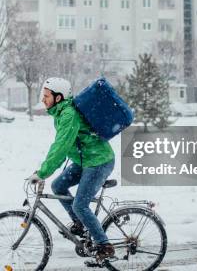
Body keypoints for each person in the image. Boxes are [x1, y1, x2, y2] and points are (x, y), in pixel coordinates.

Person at [27, 77, 116, 262]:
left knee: (80, 205)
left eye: (46, 96)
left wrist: (42, 172)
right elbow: (65, 146)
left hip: (98, 161)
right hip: (86, 160)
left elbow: (60, 146)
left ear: (58, 97)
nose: (43, 99)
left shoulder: (68, 115)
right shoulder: (60, 113)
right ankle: (80, 223)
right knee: (58, 186)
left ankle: (104, 245)